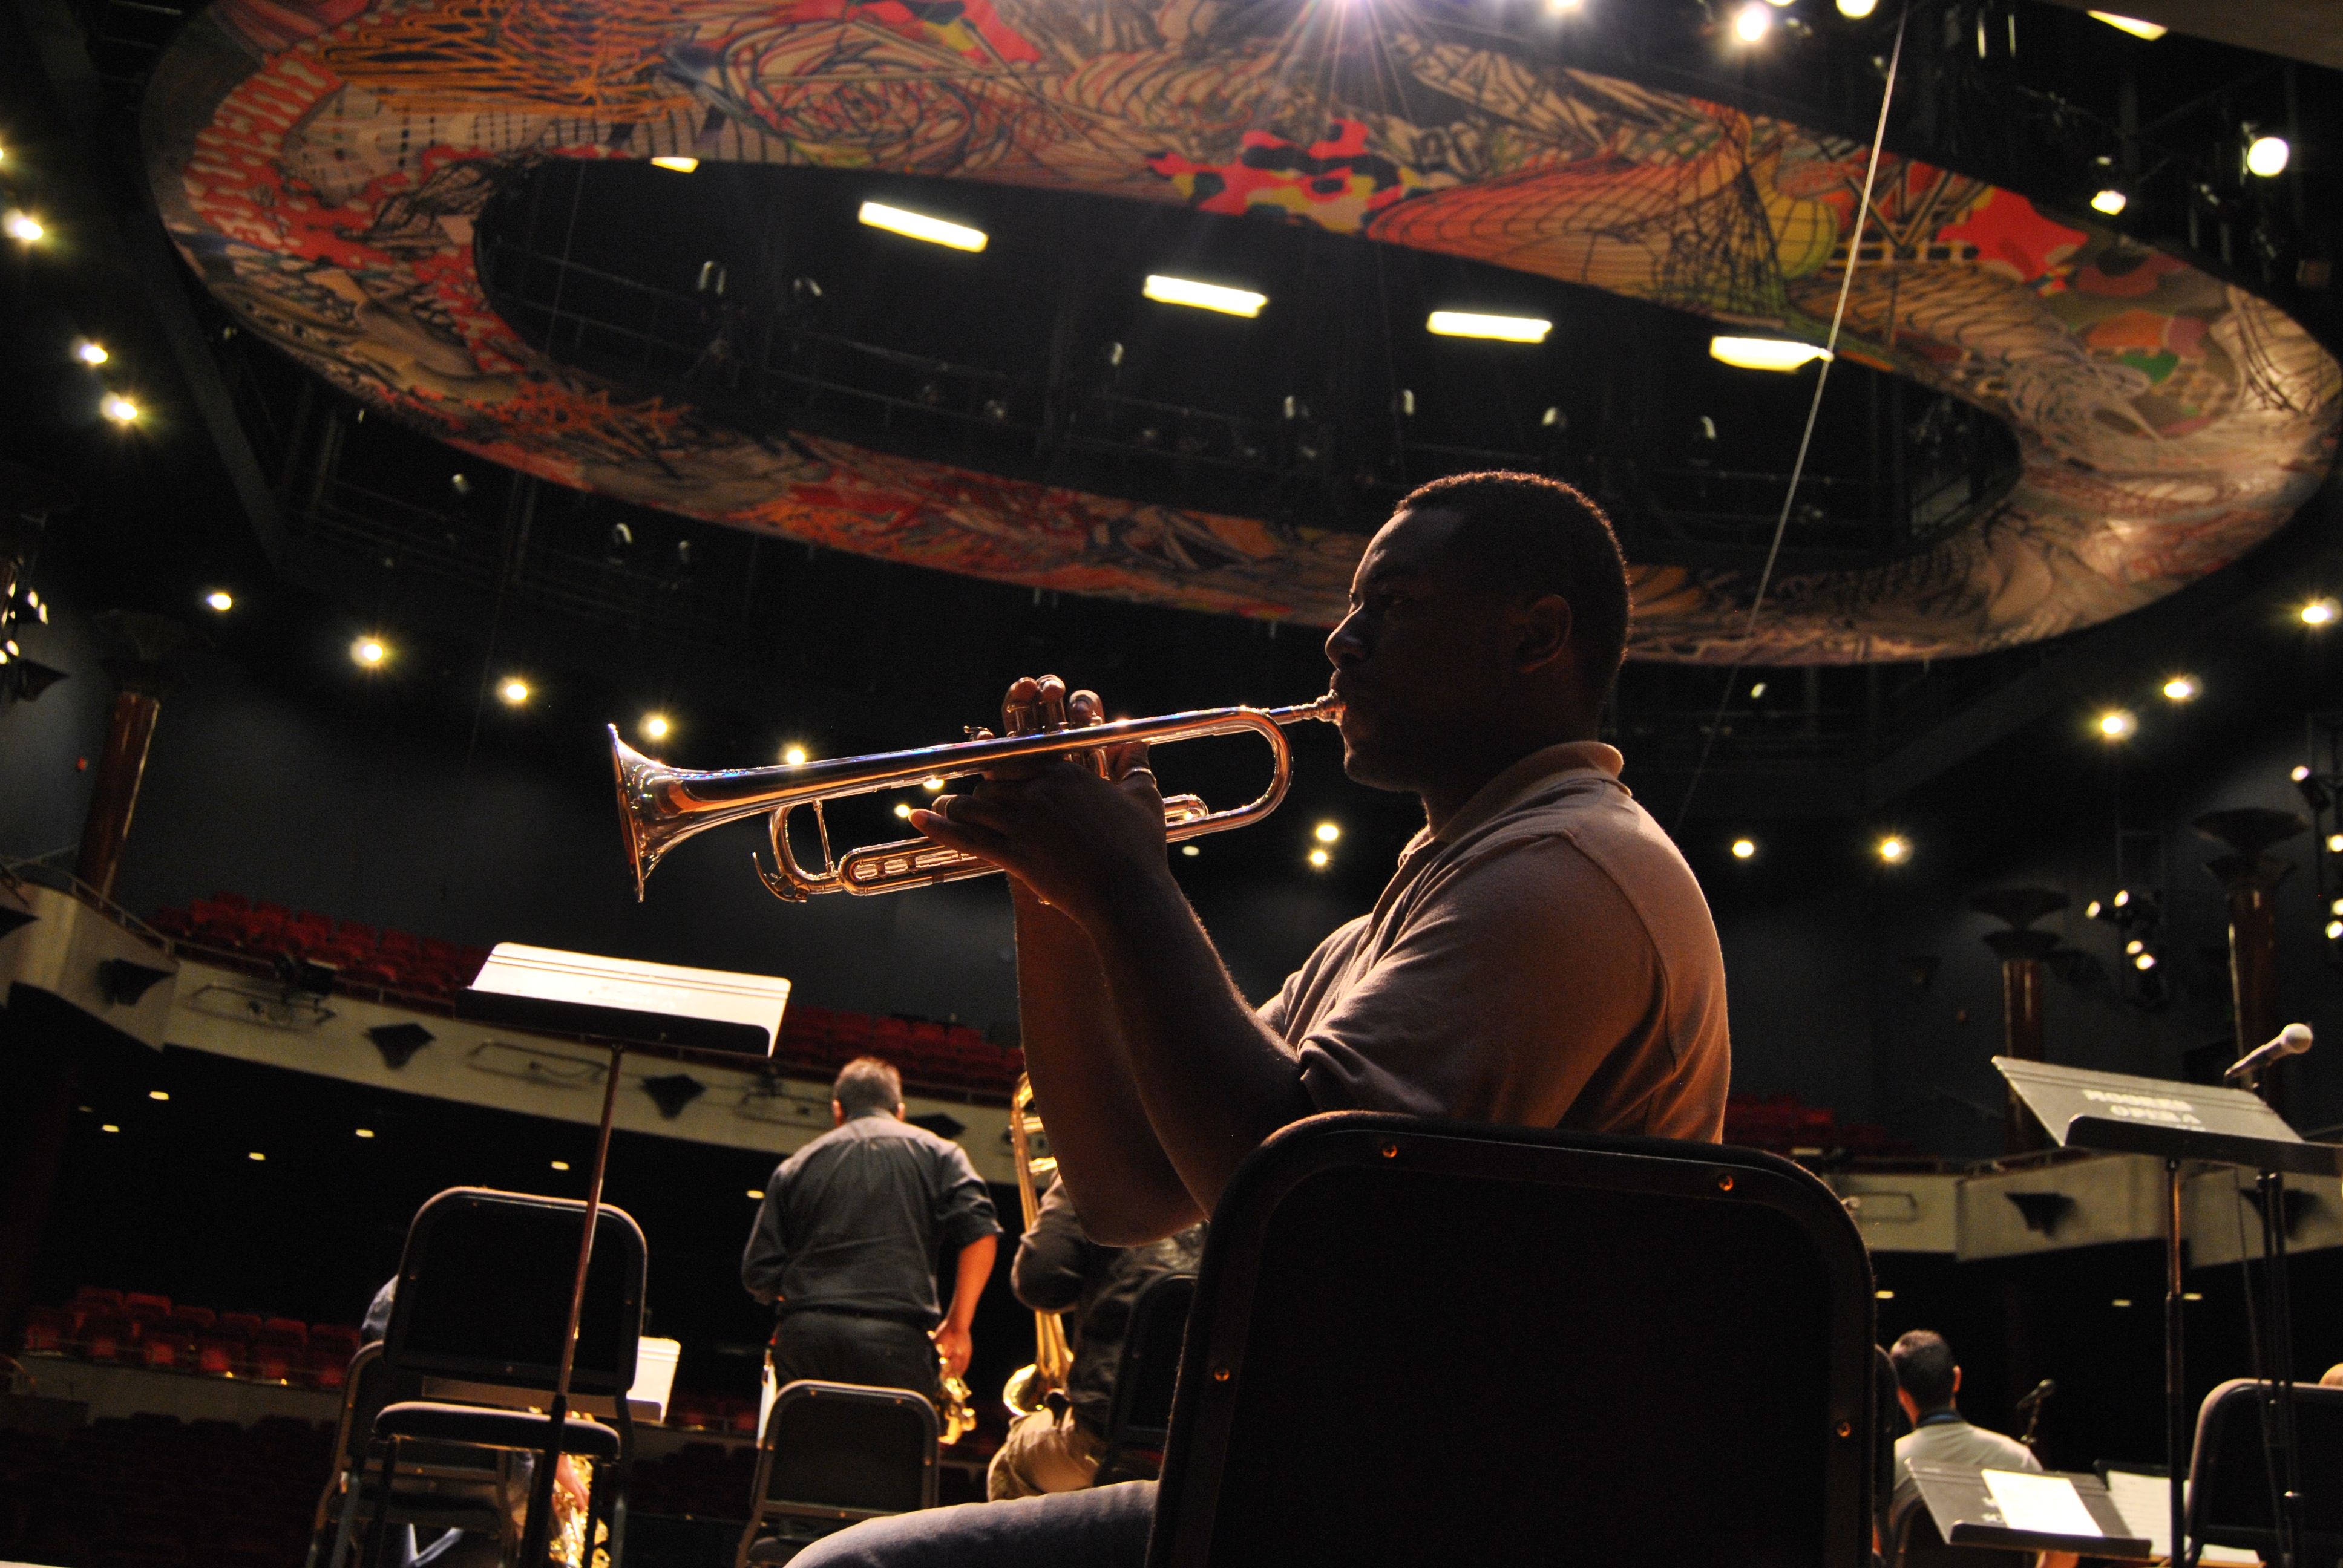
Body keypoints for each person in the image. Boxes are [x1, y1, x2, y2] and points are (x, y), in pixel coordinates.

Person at [796, 470, 1732, 1566]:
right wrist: (1051, 890)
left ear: (1535, 637)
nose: (1340, 641)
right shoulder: (1429, 897)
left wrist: (1122, 884)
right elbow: (1124, 1190)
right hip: (1356, 1494)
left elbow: (1299, 1209)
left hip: (1456, 1518)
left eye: (1392, 606)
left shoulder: (1566, 870)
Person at [742, 1056, 1001, 1404]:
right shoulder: (941, 1153)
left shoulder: (796, 1165)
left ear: (838, 1111)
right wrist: (958, 1325)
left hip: (809, 1338)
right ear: (900, 1110)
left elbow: (758, 1273)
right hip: (896, 1342)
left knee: (806, 1456)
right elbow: (981, 1232)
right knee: (887, 1457)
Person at [986, 1177, 1205, 1500]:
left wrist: (1067, 1182)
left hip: (1109, 1439)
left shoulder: (1103, 1166)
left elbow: (1040, 1280)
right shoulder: (1251, 1173)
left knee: (1009, 1465)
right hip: (1215, 1448)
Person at [1886, 1330, 2040, 1515]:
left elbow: (1872, 1541)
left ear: (1900, 1393)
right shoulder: (2019, 1459)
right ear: (1957, 1379)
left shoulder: (1887, 1466)